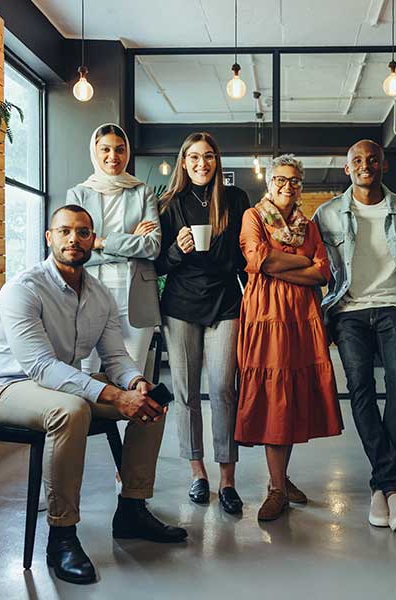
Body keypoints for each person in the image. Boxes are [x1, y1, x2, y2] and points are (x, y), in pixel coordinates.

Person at [0, 205, 187, 586]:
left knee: (152, 400)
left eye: (83, 232)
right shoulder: (23, 289)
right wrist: (111, 393)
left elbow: (115, 356)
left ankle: (131, 509)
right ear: (50, 238)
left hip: (66, 382)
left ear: (93, 240)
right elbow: (41, 367)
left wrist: (135, 383)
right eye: (64, 231)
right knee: (71, 410)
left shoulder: (99, 294)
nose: (73, 238)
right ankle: (62, 537)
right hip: (9, 387)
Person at [312, 140, 396, 532]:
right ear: (347, 168)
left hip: (395, 307)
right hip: (349, 311)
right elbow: (319, 271)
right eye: (357, 160)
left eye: (372, 159)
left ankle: (384, 487)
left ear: (383, 165)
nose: (365, 165)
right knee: (359, 388)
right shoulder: (326, 215)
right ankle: (393, 486)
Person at [236, 154, 343, 522]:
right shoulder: (253, 217)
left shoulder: (307, 224)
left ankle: (279, 480)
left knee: (293, 393)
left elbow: (323, 273)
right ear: (269, 182)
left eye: (294, 180)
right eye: (280, 179)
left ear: (301, 186)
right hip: (267, 316)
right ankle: (277, 488)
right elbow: (259, 259)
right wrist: (301, 263)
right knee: (273, 394)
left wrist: (283, 262)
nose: (287, 186)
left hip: (300, 316)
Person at [66, 123, 167, 509]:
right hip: (89, 293)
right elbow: (79, 246)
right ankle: (71, 464)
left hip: (135, 295)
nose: (113, 157)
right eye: (106, 149)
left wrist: (103, 239)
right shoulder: (79, 193)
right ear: (95, 150)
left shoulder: (140, 191)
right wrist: (123, 241)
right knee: (85, 380)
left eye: (120, 149)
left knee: (131, 382)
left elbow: (153, 246)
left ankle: (126, 472)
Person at [156, 132, 250, 514]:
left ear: (217, 161)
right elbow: (158, 264)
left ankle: (227, 478)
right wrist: (178, 250)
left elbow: (246, 255)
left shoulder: (235, 199)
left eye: (208, 156)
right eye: (193, 157)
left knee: (224, 388)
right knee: (186, 392)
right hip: (179, 306)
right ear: (183, 161)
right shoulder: (168, 203)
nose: (201, 163)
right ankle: (198, 472)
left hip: (226, 302)